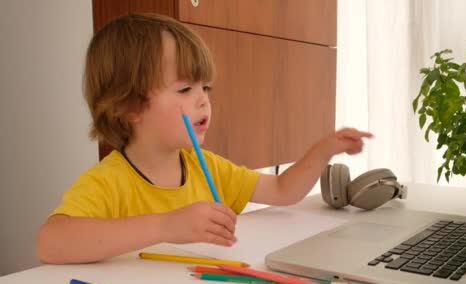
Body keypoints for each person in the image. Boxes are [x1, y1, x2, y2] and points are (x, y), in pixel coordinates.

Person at [36, 13, 371, 264]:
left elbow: (284, 192)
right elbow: (51, 244)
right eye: (185, 89)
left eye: (205, 88)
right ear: (131, 106)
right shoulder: (109, 182)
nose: (203, 100)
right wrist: (167, 226)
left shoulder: (206, 167)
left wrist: (323, 150)